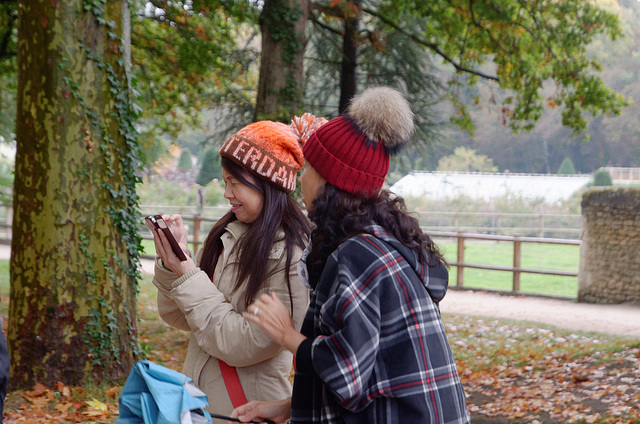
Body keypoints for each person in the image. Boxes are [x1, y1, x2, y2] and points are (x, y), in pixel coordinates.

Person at [233, 87, 471, 423]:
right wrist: (285, 409)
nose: (301, 181)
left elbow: (347, 372)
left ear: (330, 182)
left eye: (308, 169)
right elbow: (372, 367)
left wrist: (287, 334)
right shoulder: (378, 242)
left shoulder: (359, 255)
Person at [146, 120, 318, 422]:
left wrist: (188, 274)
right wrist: (175, 262)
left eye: (235, 182)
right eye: (225, 181)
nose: (227, 193)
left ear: (268, 183)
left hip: (248, 414)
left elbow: (245, 344)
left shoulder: (293, 252)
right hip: (197, 408)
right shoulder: (226, 234)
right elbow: (177, 315)